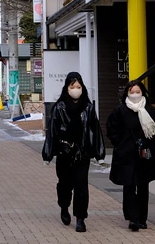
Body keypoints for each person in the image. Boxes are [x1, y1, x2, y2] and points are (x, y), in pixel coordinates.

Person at [42, 72, 105, 233]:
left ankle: (80, 218)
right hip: (64, 152)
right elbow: (52, 132)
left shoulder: (88, 108)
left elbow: (95, 130)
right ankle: (64, 207)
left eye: (78, 87)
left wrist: (99, 152)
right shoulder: (59, 107)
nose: (76, 89)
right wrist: (48, 152)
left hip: (82, 153)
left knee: (81, 186)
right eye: (72, 86)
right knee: (64, 185)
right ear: (67, 88)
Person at [106, 81, 155, 231]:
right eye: (131, 91)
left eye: (137, 91)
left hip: (145, 155)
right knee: (129, 186)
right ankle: (132, 218)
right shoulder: (120, 110)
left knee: (142, 187)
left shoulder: (150, 111)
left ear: (143, 92)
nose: (135, 94)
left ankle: (142, 218)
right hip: (126, 155)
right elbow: (111, 130)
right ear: (127, 93)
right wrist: (120, 144)